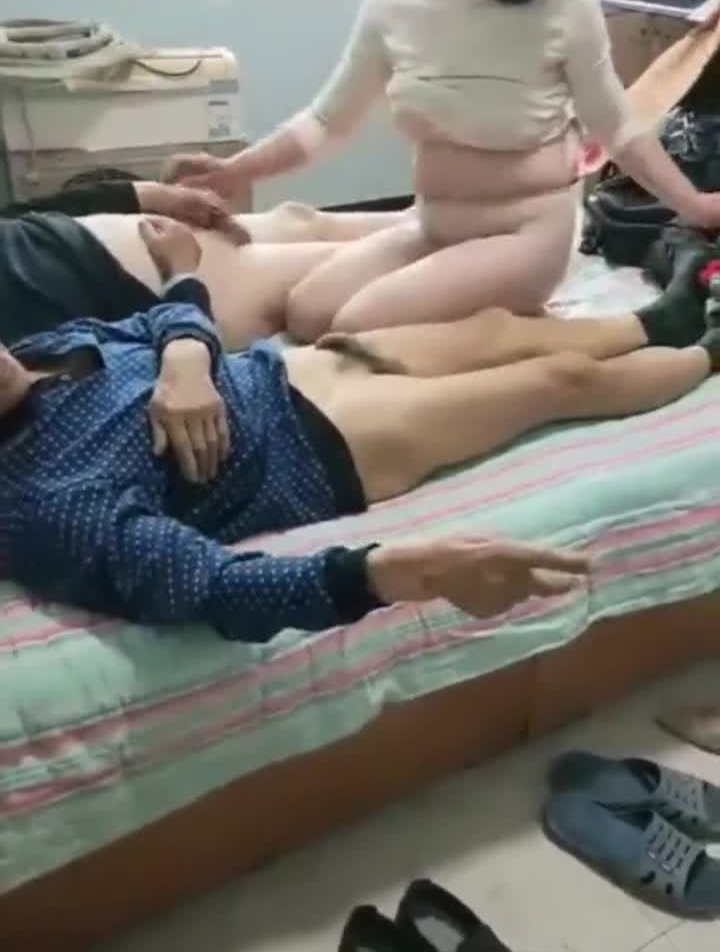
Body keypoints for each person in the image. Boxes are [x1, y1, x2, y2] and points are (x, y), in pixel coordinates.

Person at [0, 223, 716, 644]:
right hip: (323, 445)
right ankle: (707, 355)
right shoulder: (46, 503)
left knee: (497, 330)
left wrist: (185, 339)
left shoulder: (36, 353)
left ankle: (664, 319)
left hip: (289, 369)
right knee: (556, 382)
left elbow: (146, 325)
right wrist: (378, 574)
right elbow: (212, 587)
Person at [170, 0, 720, 341]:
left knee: (355, 325)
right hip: (434, 223)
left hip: (527, 231)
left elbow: (619, 128)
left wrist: (695, 206)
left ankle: (536, 327)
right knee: (308, 312)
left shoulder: (569, 0)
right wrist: (234, 171)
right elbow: (327, 123)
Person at [0, 173, 391, 350]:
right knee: (327, 278)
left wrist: (151, 196)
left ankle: (425, 218)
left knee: (298, 220)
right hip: (136, 288)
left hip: (66, 237)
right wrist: (181, 282)